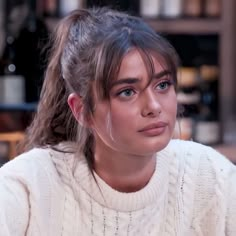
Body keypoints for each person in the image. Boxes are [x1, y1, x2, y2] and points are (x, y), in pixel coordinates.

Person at [0, 7, 235, 235]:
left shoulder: (209, 175)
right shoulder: (27, 186)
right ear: (81, 110)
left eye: (162, 85)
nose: (154, 106)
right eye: (127, 92)